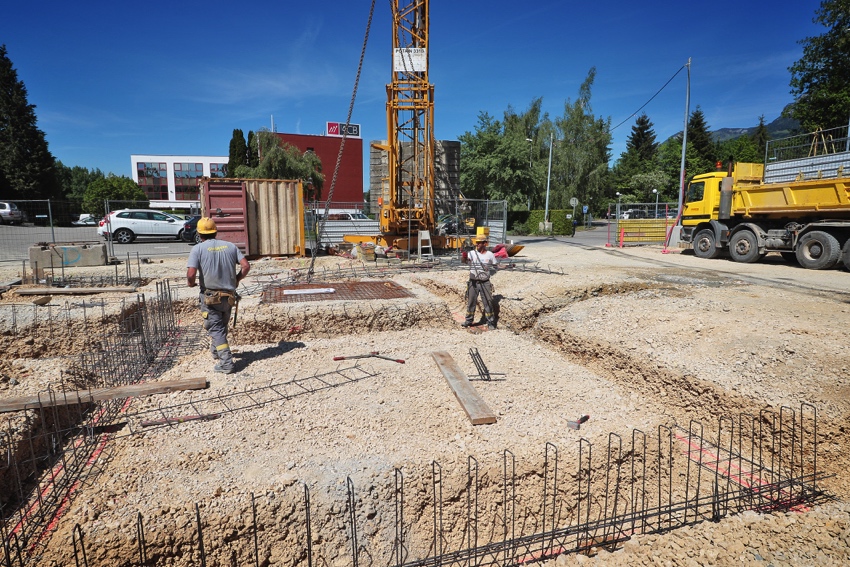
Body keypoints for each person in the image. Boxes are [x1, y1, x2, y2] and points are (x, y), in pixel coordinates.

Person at [186, 217, 250, 374]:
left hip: (210, 296)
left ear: (200, 234)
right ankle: (216, 352)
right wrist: (236, 279)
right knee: (221, 326)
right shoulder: (230, 246)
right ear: (215, 231)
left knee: (215, 328)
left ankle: (226, 363)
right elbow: (246, 266)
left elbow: (191, 273)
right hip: (228, 296)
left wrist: (190, 283)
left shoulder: (198, 249)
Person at [462, 234, 499, 330]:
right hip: (473, 282)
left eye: (479, 242)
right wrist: (464, 256)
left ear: (485, 243)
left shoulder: (490, 255)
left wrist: (507, 266)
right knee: (471, 302)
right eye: (477, 242)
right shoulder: (472, 253)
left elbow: (496, 266)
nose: (477, 244)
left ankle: (490, 322)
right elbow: (464, 261)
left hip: (485, 282)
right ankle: (468, 320)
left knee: (488, 302)